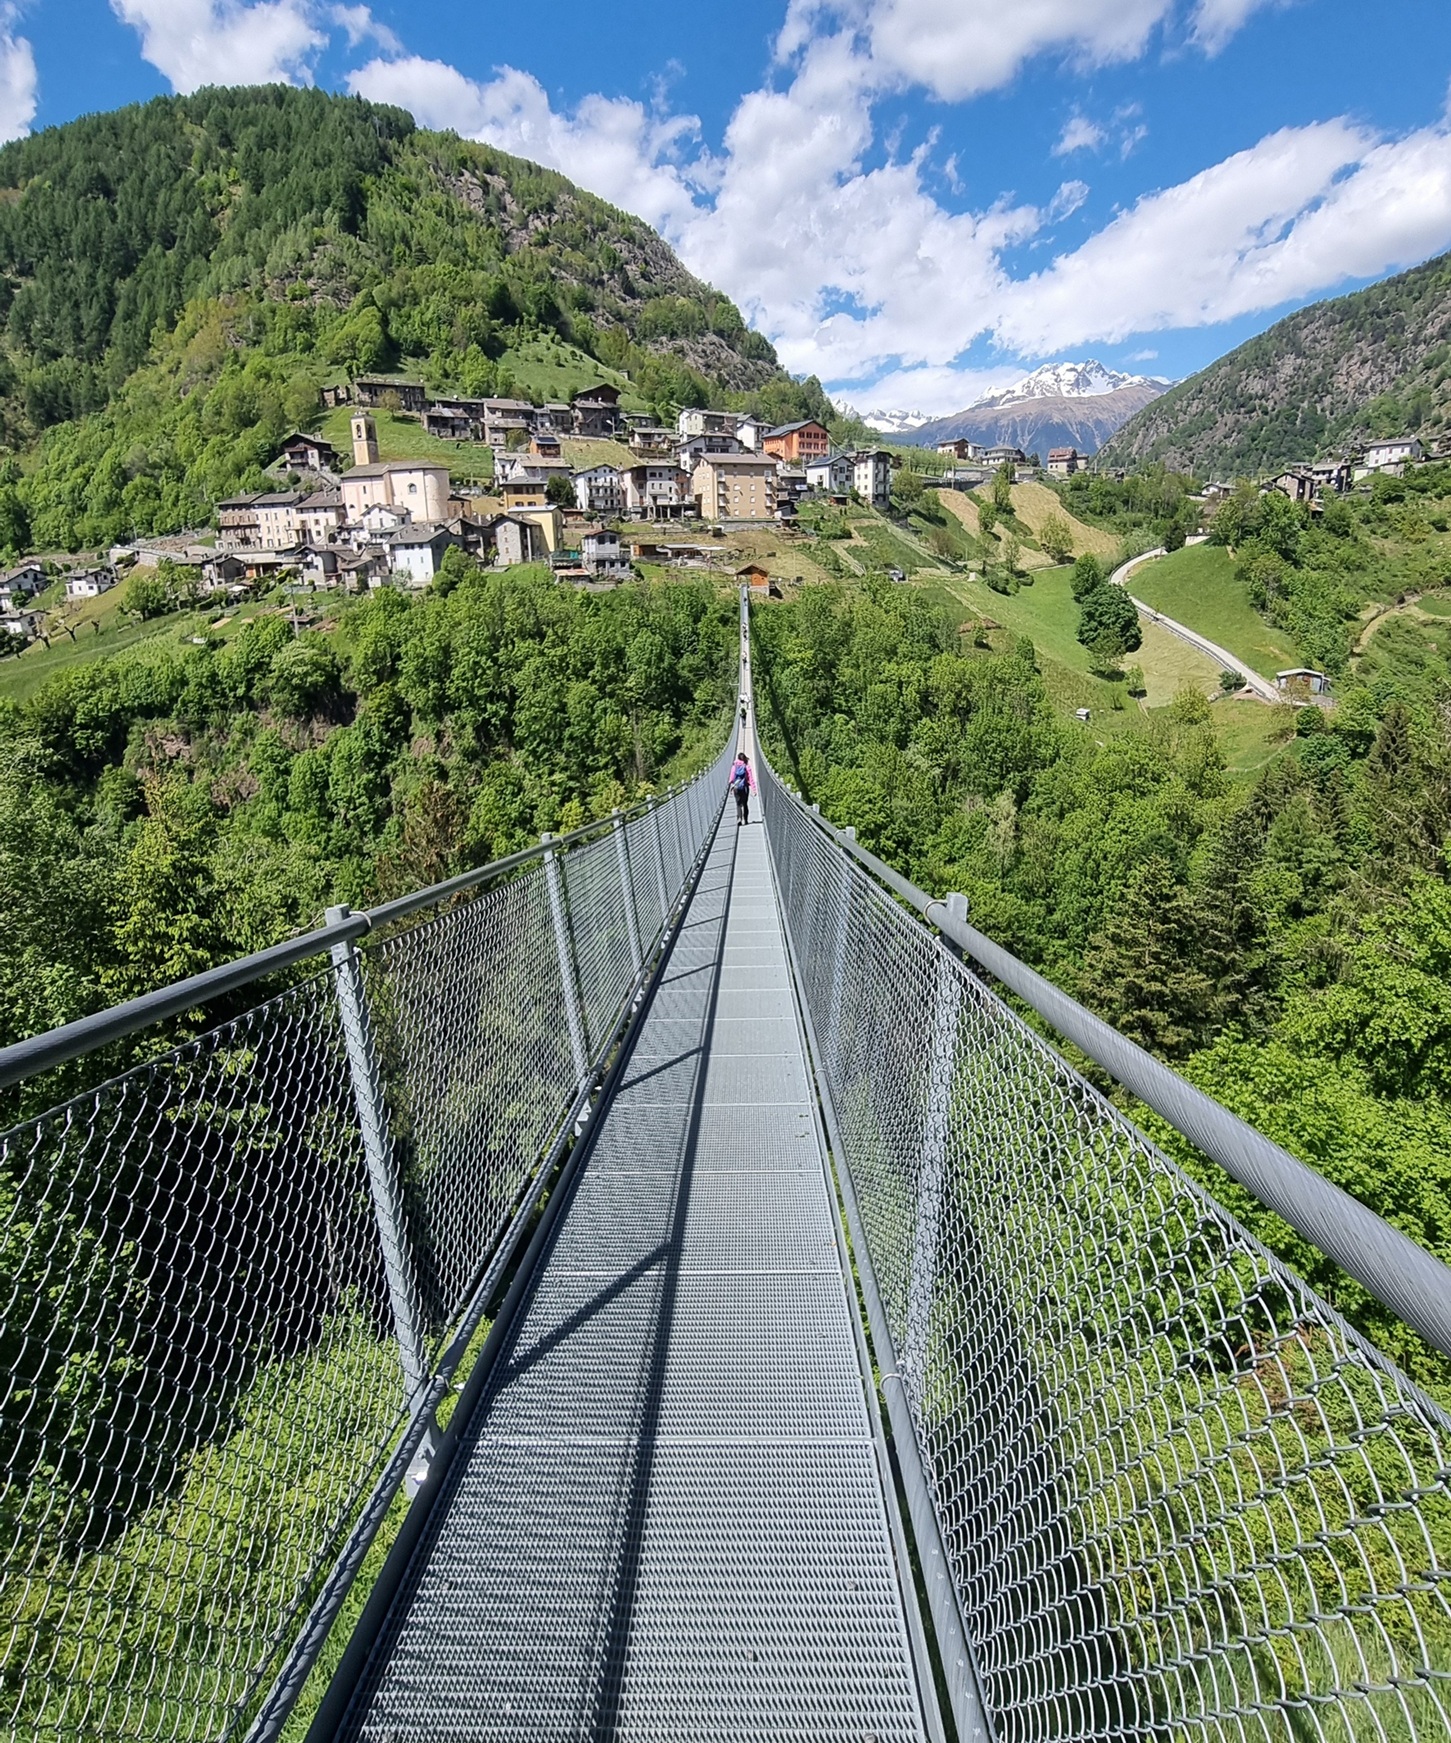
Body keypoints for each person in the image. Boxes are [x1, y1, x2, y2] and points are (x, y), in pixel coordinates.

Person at [729, 749, 756, 826]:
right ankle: (746, 820)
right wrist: (754, 789)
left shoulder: (734, 766)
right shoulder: (746, 766)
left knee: (738, 804)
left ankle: (739, 819)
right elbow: (751, 778)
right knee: (745, 803)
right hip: (745, 787)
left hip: (736, 787)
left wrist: (732, 785)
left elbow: (731, 778)